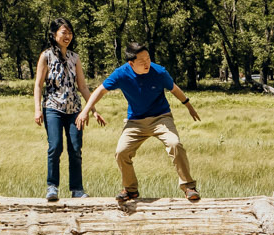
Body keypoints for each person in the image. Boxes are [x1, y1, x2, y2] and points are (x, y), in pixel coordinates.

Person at [81, 42, 201, 202]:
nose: (147, 63)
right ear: (131, 63)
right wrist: (85, 110)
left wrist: (189, 106)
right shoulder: (121, 74)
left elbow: (174, 89)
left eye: (148, 58)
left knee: (174, 144)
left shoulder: (159, 72)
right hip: (135, 121)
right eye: (142, 60)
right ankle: (130, 190)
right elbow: (100, 90)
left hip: (161, 118)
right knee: (121, 152)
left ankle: (189, 187)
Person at [31, 18, 99, 201]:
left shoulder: (74, 57)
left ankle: (77, 189)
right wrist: (37, 110)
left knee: (75, 148)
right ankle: (52, 187)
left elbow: (83, 87)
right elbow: (38, 85)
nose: (67, 36)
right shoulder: (45, 56)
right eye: (63, 32)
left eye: (70, 32)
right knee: (55, 146)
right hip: (52, 107)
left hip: (74, 109)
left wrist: (92, 109)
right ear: (54, 35)